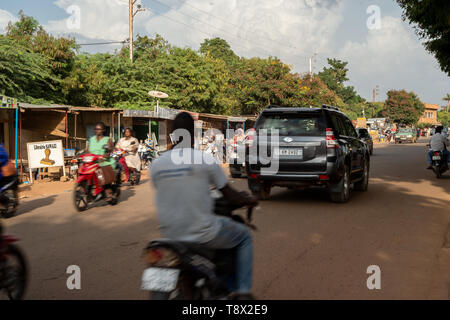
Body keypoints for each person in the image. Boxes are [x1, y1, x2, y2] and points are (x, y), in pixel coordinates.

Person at [150, 112, 257, 299]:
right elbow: (230, 195)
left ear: (173, 135)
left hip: (169, 236)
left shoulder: (157, 164)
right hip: (202, 233)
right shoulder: (205, 160)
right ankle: (243, 292)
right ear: (193, 134)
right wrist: (247, 200)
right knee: (244, 237)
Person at [88, 122, 116, 198]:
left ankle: (108, 190)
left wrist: (106, 154)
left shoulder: (107, 139)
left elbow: (110, 149)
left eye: (99, 129)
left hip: (104, 161)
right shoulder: (91, 139)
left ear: (103, 130)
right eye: (96, 129)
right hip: (92, 161)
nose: (97, 131)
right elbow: (87, 150)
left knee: (102, 171)